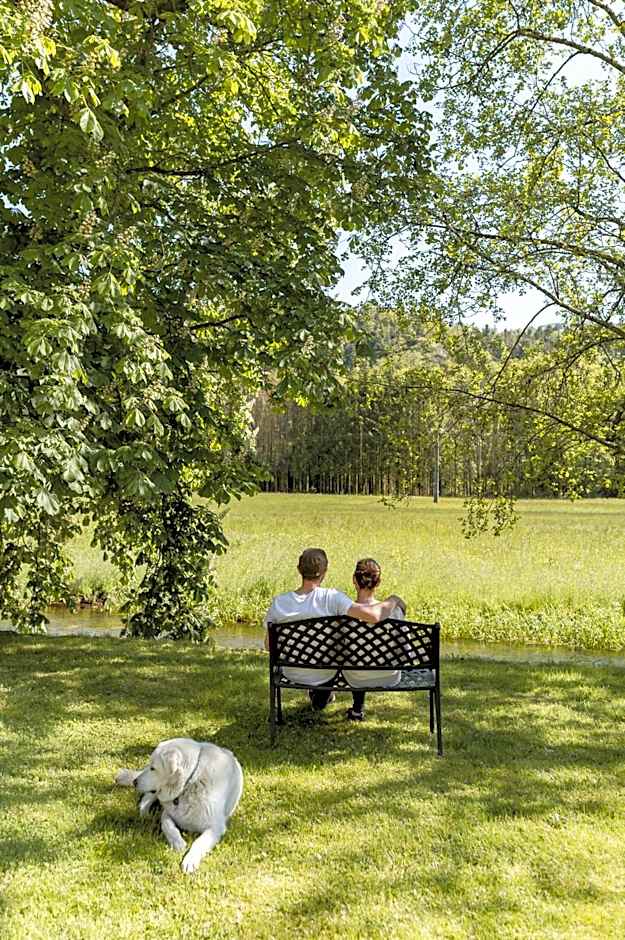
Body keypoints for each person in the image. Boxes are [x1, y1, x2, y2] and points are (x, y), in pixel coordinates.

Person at [264, 548, 405, 715]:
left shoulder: (279, 603)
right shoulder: (332, 598)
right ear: (324, 572)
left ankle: (320, 699)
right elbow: (374, 615)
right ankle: (330, 699)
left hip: (293, 672)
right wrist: (394, 599)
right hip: (325, 673)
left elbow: (268, 646)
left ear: (298, 569)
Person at [342, 557, 404, 722]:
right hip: (389, 675)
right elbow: (402, 648)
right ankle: (357, 709)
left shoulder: (344, 614)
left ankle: (357, 709)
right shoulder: (394, 612)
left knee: (355, 659)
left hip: (356, 676)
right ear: (378, 582)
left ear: (354, 580)